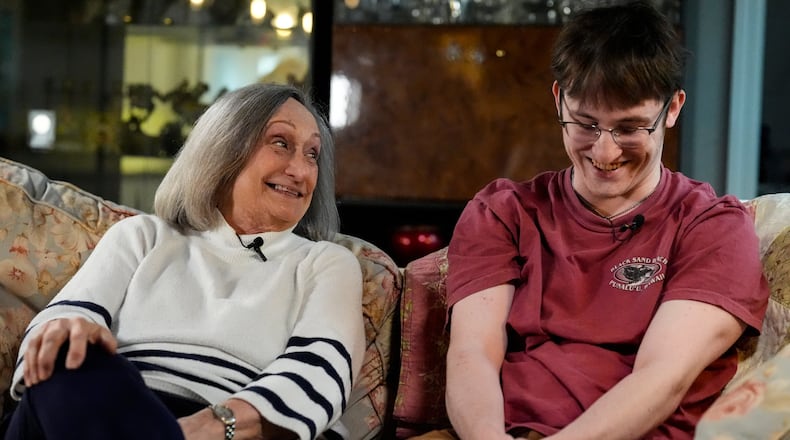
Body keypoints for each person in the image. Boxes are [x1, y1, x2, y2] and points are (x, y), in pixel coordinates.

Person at [441, 2, 770, 440]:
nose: (604, 152)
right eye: (586, 123)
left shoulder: (713, 228)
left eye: (630, 128)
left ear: (672, 108)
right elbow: (472, 354)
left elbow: (663, 377)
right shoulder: (503, 212)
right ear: (559, 98)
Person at [3, 83, 366, 440]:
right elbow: (57, 329)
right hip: (102, 405)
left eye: (312, 154)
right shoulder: (143, 235)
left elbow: (320, 371)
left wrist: (209, 426)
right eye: (281, 143)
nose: (301, 171)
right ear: (223, 148)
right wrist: (74, 336)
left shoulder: (324, 263)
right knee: (69, 353)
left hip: (226, 428)